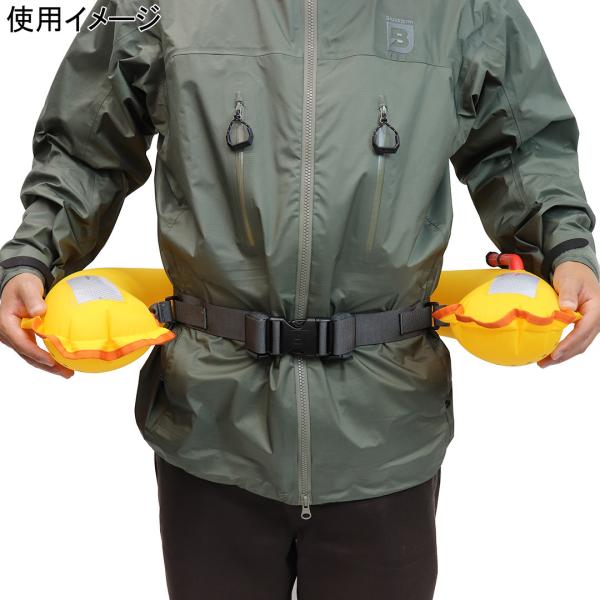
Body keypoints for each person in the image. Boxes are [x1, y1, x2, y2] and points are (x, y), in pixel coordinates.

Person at [1, 1, 599, 598]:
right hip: (212, 428)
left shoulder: (463, 8)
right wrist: (31, 255)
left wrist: (566, 247)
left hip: (386, 432)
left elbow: (521, 145)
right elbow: (86, 147)